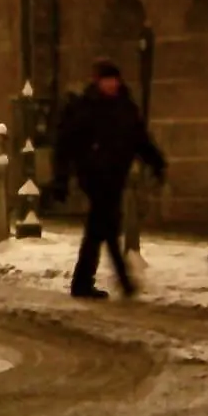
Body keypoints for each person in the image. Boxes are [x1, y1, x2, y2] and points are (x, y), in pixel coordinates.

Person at [50, 58, 166, 300]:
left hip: (115, 175)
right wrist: (61, 178)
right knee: (103, 224)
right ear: (98, 82)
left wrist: (156, 162)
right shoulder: (86, 108)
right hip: (93, 175)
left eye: (114, 80)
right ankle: (112, 282)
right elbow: (67, 145)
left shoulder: (125, 107)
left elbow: (140, 139)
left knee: (104, 227)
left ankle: (92, 282)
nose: (111, 84)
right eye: (106, 80)